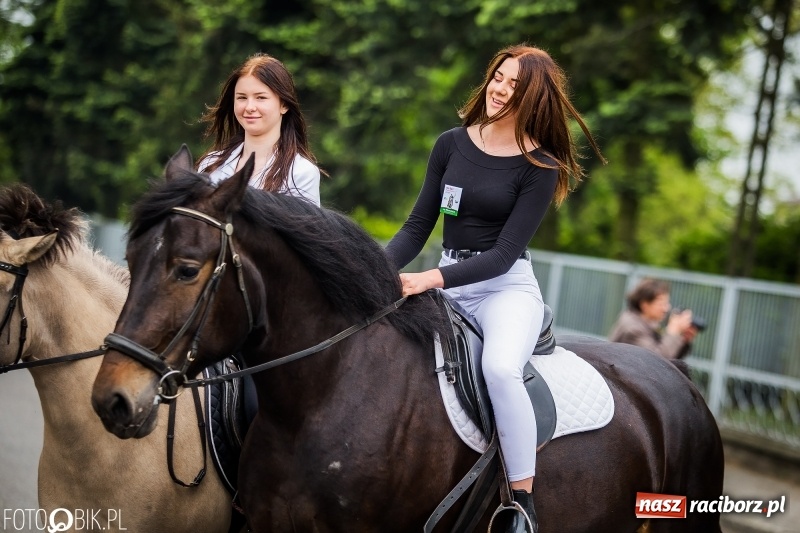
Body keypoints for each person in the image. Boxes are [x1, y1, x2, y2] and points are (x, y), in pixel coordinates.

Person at [385, 44, 605, 533]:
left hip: (504, 290)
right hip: (446, 280)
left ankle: (520, 502)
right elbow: (418, 224)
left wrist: (428, 279)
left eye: (515, 86)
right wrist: (371, 272)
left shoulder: (540, 166)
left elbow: (504, 254)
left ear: (534, 99)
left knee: (501, 369)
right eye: (499, 78)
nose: (501, 90)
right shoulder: (450, 144)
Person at [196, 52, 322, 206]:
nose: (249, 107)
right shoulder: (210, 165)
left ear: (284, 105)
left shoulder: (301, 172)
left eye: (261, 97)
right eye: (242, 97)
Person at [608, 278, 697, 359]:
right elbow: (656, 361)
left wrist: (682, 339)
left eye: (667, 303)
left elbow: (671, 360)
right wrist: (673, 331)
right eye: (662, 303)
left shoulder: (648, 324)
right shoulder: (632, 328)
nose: (666, 308)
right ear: (645, 305)